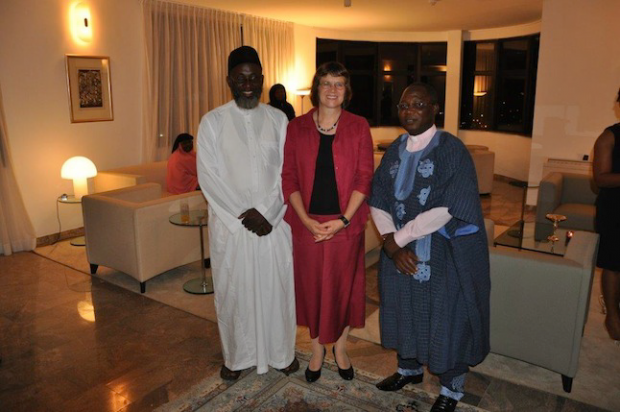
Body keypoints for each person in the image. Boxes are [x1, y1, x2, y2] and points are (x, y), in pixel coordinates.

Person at [369, 83, 490, 412]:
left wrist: (400, 238)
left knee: (445, 316)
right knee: (402, 308)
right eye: (404, 105)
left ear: (435, 108)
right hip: (398, 249)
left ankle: (451, 388)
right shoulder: (395, 149)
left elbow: (450, 206)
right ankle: (408, 370)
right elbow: (377, 196)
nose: (409, 111)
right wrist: (389, 243)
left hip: (441, 252)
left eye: (418, 104)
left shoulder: (451, 149)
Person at [196, 45, 298, 380]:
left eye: (255, 77)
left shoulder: (279, 119)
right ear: (229, 80)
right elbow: (208, 176)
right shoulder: (212, 122)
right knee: (234, 292)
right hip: (233, 227)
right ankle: (238, 357)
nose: (249, 83)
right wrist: (244, 213)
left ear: (264, 79)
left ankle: (282, 354)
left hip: (273, 223)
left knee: (276, 289)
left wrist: (269, 212)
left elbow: (288, 171)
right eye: (242, 78)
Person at [281, 62, 374, 383]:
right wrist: (305, 220)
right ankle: (318, 348)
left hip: (345, 224)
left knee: (343, 288)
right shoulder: (296, 127)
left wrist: (344, 219)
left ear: (346, 91)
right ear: (316, 88)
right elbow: (288, 177)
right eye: (326, 83)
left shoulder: (359, 126)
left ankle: (341, 347)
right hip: (307, 224)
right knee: (313, 290)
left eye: (339, 84)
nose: (332, 90)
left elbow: (365, 176)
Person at [593, 87, 620, 342]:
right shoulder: (609, 137)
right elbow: (600, 178)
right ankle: (612, 316)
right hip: (615, 211)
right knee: (613, 264)